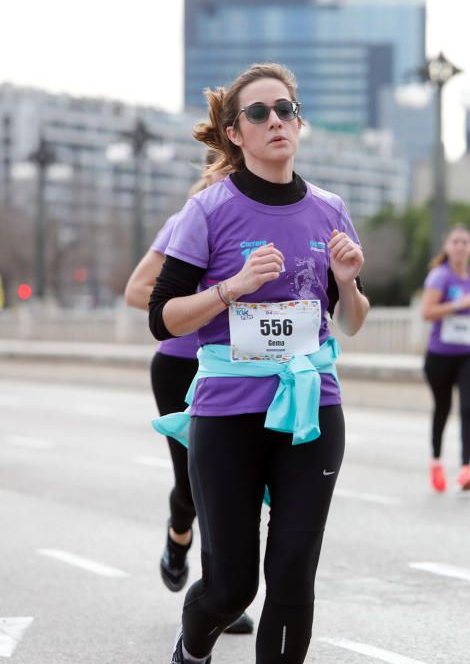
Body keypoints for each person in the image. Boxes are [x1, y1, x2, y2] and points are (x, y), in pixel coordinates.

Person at [147, 63, 368, 664]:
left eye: (286, 110)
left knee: (294, 577)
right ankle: (193, 649)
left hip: (311, 406)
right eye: (259, 113)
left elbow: (349, 321)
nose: (276, 121)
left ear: (300, 122)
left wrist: (347, 285)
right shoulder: (209, 210)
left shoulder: (330, 209)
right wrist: (231, 289)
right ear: (235, 133)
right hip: (229, 414)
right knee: (232, 585)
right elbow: (162, 316)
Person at [123, 154, 253, 635]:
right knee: (199, 481)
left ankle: (222, 592)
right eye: (228, 171)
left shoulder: (265, 217)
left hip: (241, 365)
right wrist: (211, 291)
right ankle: (180, 537)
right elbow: (137, 291)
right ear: (213, 173)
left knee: (234, 481)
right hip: (181, 364)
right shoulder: (188, 218)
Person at [419, 225, 470, 492]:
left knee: (469, 409)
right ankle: (436, 462)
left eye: (465, 242)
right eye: (455, 241)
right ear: (447, 246)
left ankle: (466, 469)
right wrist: (457, 305)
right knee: (443, 408)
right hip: (440, 356)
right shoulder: (440, 276)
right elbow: (426, 312)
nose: (460, 246)